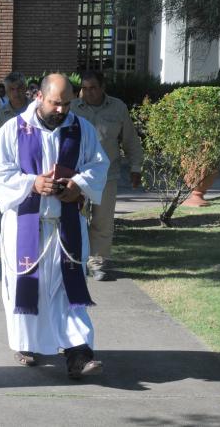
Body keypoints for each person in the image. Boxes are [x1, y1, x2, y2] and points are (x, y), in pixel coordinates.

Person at [0, 73, 110, 379]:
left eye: (67, 104)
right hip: (26, 225)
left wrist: (78, 184)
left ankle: (78, 353)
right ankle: (26, 344)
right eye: (55, 103)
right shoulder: (13, 129)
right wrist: (32, 183)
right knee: (28, 287)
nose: (61, 111)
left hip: (66, 226)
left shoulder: (82, 129)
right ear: (38, 97)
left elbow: (99, 164)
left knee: (68, 290)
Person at [70, 71, 144, 281]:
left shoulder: (118, 107)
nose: (88, 92)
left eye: (93, 87)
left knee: (102, 222)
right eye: (84, 88)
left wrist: (135, 167)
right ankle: (76, 260)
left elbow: (130, 139)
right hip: (79, 175)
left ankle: (99, 263)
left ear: (103, 88)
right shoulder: (74, 108)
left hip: (107, 175)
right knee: (77, 219)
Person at [0, 72, 29, 137]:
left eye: (19, 88)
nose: (16, 93)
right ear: (6, 91)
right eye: (12, 89)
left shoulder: (37, 109)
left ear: (25, 89)